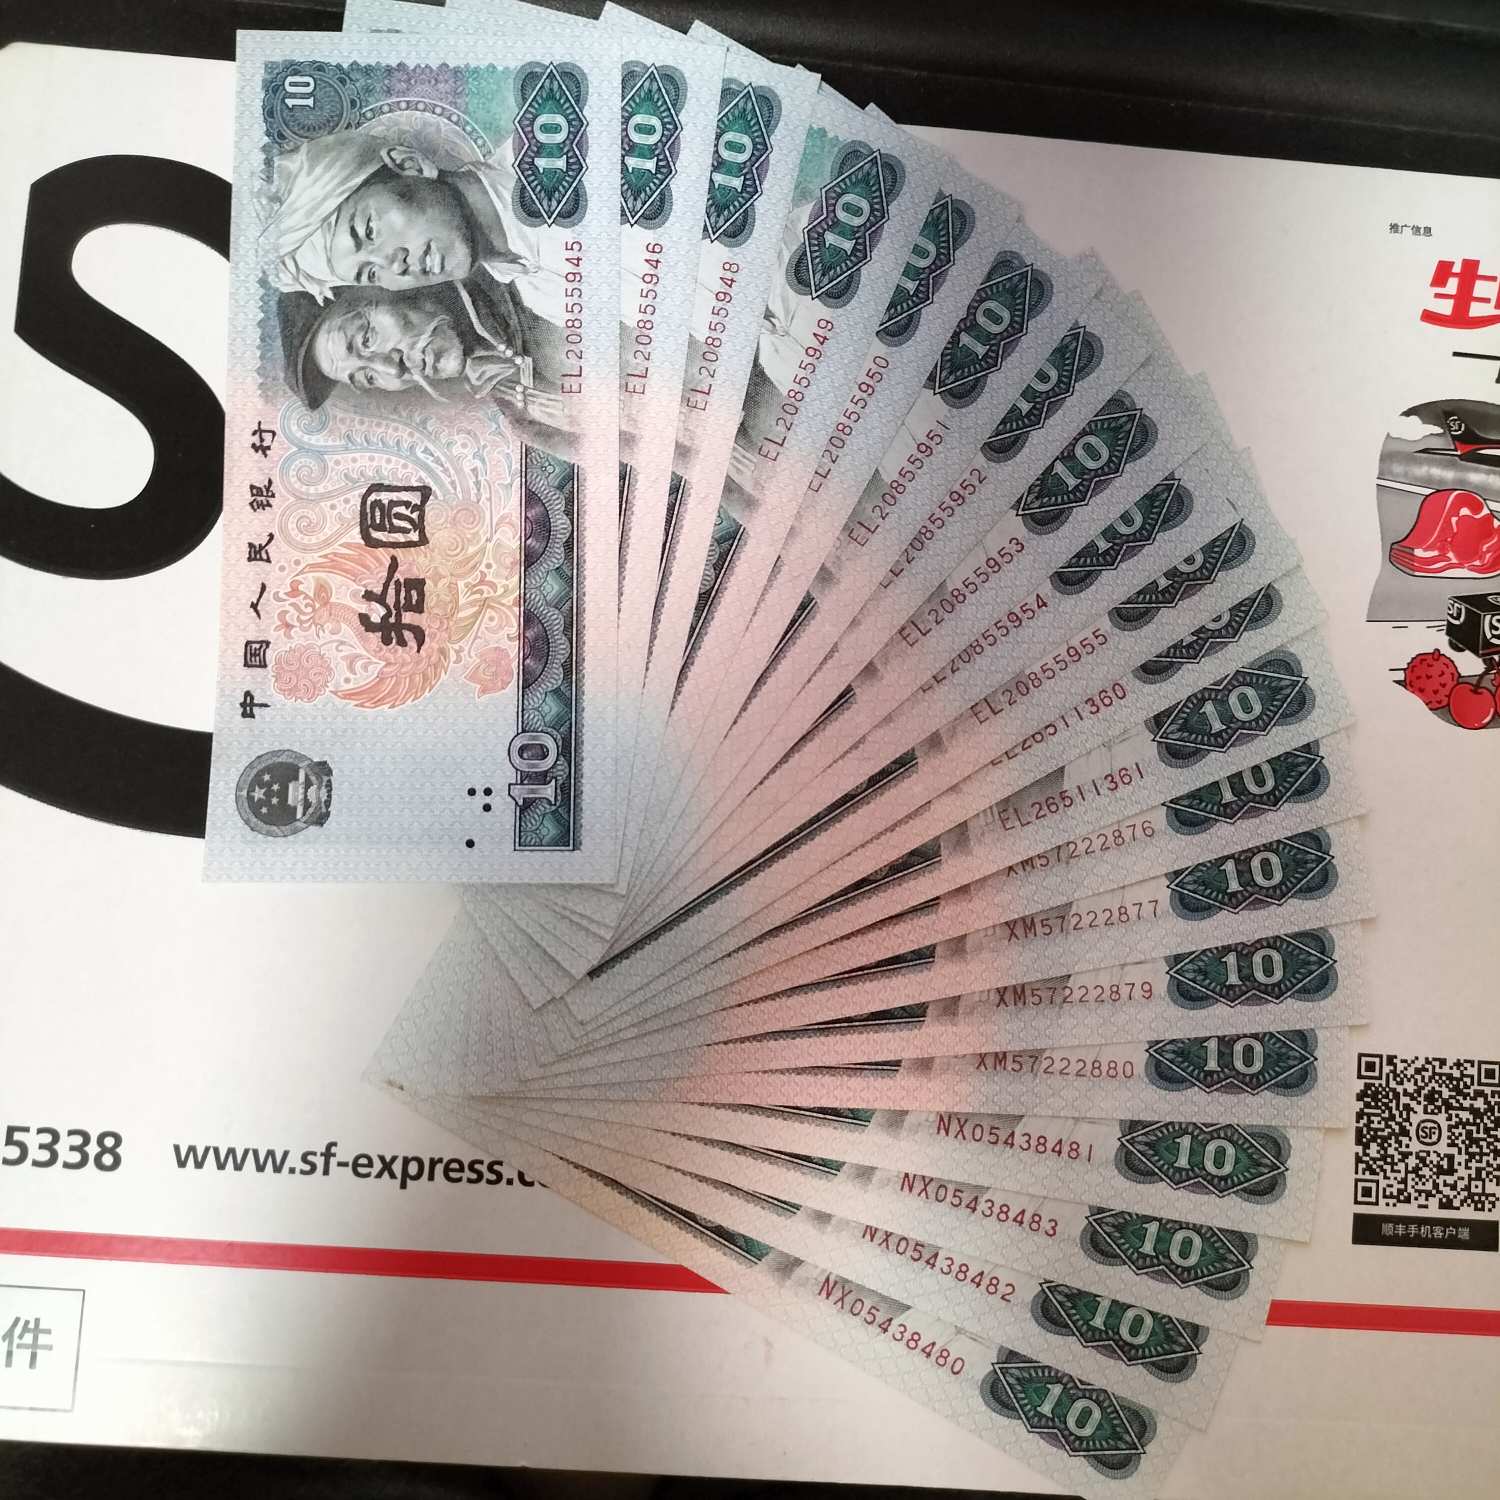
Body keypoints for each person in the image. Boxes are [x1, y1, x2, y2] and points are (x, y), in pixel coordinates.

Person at [257, 128, 565, 326]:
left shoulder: (558, 147)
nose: (396, 266)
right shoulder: (542, 298)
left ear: (409, 165)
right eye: (370, 274)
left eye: (369, 232)